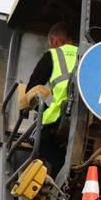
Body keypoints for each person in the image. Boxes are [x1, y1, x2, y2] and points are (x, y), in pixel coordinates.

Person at [22, 21, 79, 177]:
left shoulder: (53, 55)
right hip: (88, 114)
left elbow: (31, 91)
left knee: (33, 139)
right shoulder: (87, 54)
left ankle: (62, 165)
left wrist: (44, 110)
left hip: (62, 113)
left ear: (55, 41)